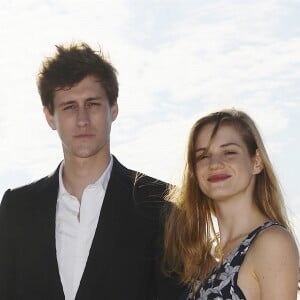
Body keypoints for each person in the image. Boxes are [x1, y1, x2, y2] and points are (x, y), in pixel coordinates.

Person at [0, 42, 183, 300]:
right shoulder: (17, 208)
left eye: (93, 104)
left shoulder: (161, 203)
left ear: (114, 109)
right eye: (69, 106)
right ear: (50, 117)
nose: (82, 119)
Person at [163, 109, 299, 299]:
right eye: (203, 156)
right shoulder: (201, 257)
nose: (215, 163)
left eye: (229, 152)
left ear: (257, 162)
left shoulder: (272, 243)